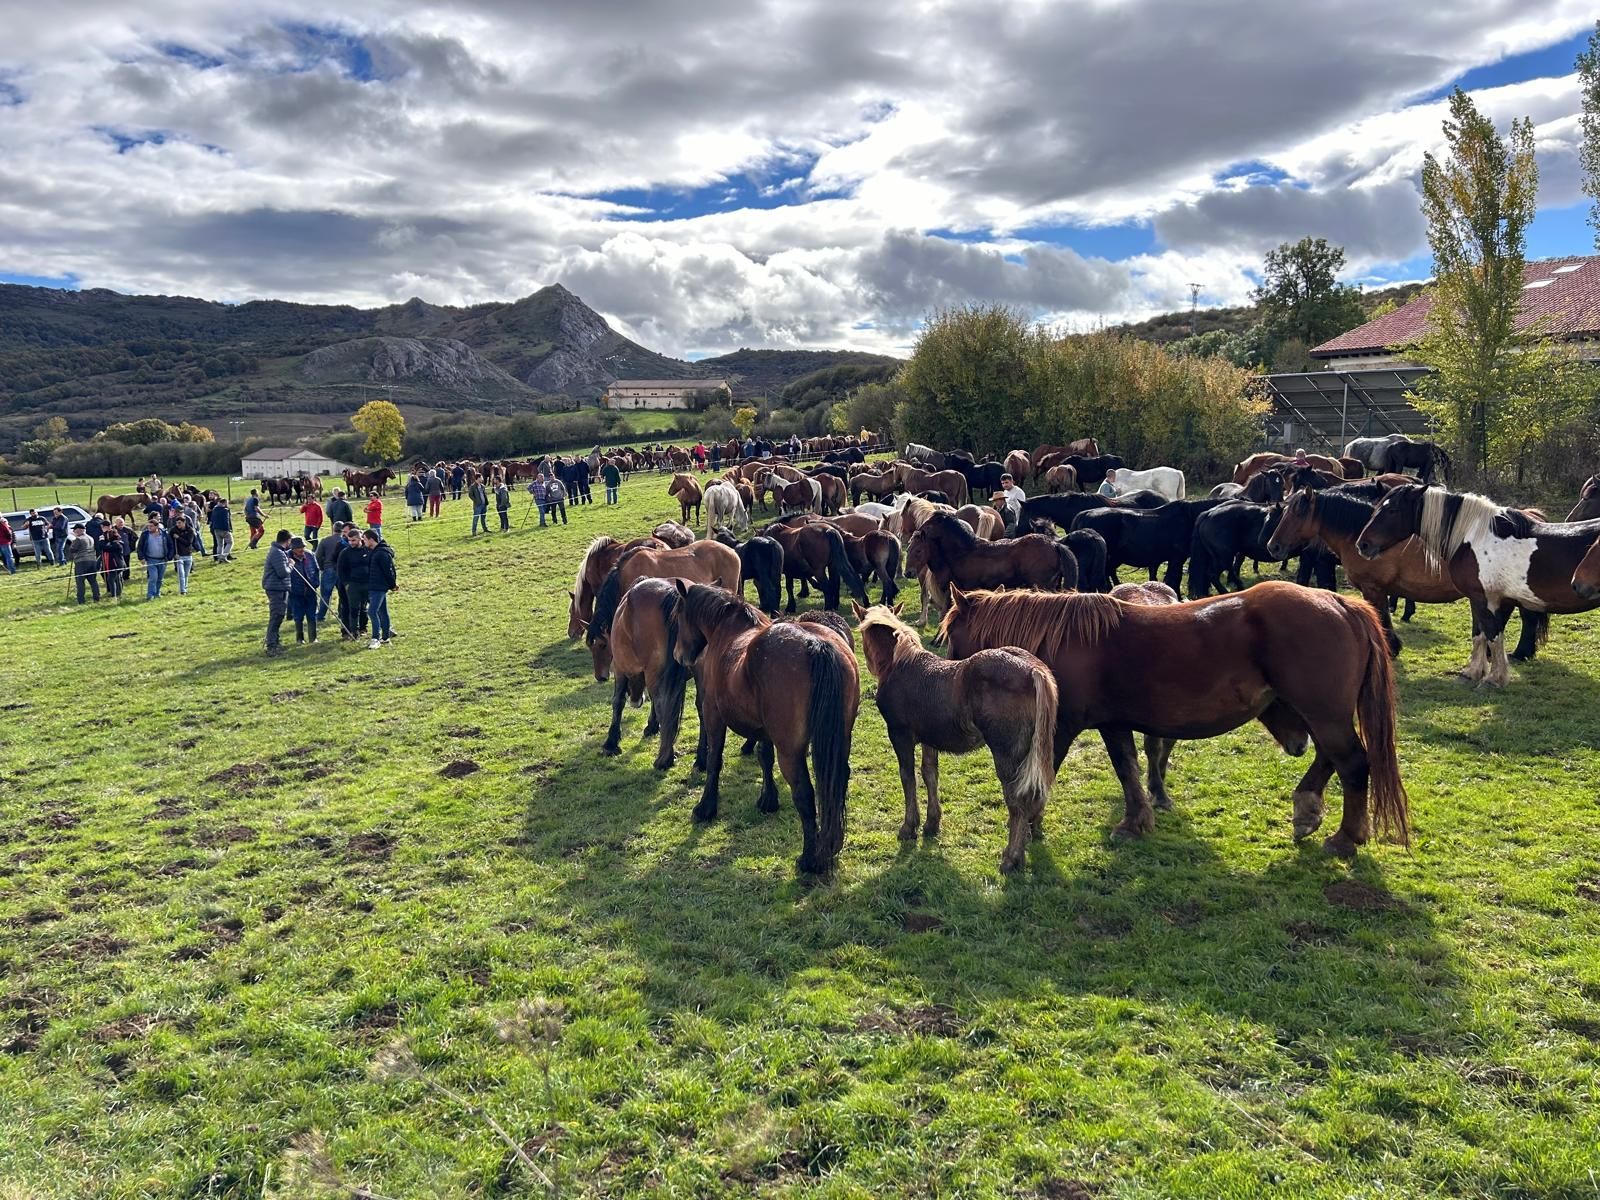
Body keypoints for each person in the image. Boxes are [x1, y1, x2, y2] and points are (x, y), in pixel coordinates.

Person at [336, 526, 371, 639]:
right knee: (354, 609)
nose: (351, 543)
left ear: (360, 538)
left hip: (367, 583)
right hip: (353, 585)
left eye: (353, 540)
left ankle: (364, 628)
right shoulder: (345, 553)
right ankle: (354, 632)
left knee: (365, 607)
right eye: (349, 540)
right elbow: (340, 570)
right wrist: (346, 584)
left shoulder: (368, 550)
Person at [262, 529, 293, 656]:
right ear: (288, 540)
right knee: (276, 616)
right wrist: (291, 565)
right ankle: (271, 645)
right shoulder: (278, 553)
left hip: (279, 587)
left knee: (279, 615)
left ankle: (276, 641)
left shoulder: (279, 552)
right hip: (276, 588)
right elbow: (282, 572)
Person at [365, 529, 397, 648]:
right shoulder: (375, 552)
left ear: (371, 539)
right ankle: (385, 637)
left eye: (364, 539)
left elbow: (389, 571)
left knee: (372, 611)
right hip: (374, 585)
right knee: (382, 611)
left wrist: (392, 584)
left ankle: (375, 638)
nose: (363, 542)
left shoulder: (381, 553)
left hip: (379, 586)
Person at [286, 536, 321, 644]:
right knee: (298, 616)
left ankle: (313, 638)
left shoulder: (310, 555)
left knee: (312, 614)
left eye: (302, 547)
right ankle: (299, 638)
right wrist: (291, 588)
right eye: (298, 548)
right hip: (296, 593)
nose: (301, 549)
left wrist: (315, 583)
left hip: (310, 591)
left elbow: (316, 569)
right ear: (293, 548)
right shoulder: (286, 557)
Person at [136, 515, 174, 599]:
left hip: (163, 560)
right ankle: (150, 595)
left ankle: (157, 593)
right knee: (153, 577)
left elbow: (171, 545)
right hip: (151, 560)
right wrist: (141, 557)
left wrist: (169, 557)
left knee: (160, 578)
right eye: (148, 526)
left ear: (157, 526)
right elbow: (140, 547)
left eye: (151, 526)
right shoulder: (145, 535)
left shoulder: (164, 534)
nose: (149, 528)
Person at [314, 522, 345, 621]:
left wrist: (322, 567)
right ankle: (342, 613)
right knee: (343, 594)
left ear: (333, 529)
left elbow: (318, 556)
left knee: (325, 594)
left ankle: (321, 615)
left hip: (328, 569)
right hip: (342, 570)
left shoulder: (325, 541)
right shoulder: (345, 541)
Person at [67, 523, 100, 603]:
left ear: (79, 530)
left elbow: (72, 549)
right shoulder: (90, 538)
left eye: (75, 530)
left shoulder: (78, 539)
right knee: (93, 581)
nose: (74, 531)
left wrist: (72, 542)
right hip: (92, 560)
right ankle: (96, 597)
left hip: (81, 561)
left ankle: (81, 600)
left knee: (80, 581)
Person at [97, 521, 126, 598]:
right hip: (114, 564)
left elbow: (105, 548)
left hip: (116, 564)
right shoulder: (113, 543)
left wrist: (102, 540)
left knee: (111, 579)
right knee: (116, 579)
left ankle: (114, 596)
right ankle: (118, 595)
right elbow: (103, 548)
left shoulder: (116, 544)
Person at [170, 514, 198, 595]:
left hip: (188, 555)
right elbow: (171, 543)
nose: (178, 525)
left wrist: (178, 537)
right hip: (179, 556)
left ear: (184, 522)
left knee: (186, 574)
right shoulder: (173, 530)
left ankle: (185, 588)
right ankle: (183, 591)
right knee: (181, 574)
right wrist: (174, 554)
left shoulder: (190, 530)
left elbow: (188, 542)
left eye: (179, 523)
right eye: (177, 523)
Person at [209, 498, 234, 563]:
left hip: (216, 529)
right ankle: (224, 556)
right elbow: (226, 521)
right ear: (224, 503)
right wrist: (228, 529)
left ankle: (219, 558)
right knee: (230, 542)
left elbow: (212, 519)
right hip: (224, 529)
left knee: (220, 544)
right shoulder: (225, 510)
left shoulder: (214, 509)